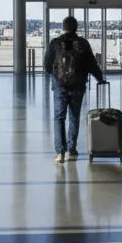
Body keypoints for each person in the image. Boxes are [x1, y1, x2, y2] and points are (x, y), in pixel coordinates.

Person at [43, 16, 105, 163]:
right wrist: (100, 78)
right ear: (76, 27)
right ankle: (72, 150)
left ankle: (60, 152)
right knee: (74, 117)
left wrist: (57, 75)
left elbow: (46, 66)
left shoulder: (55, 43)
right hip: (78, 86)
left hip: (59, 86)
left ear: (63, 27)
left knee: (59, 117)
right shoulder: (83, 44)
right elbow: (92, 65)